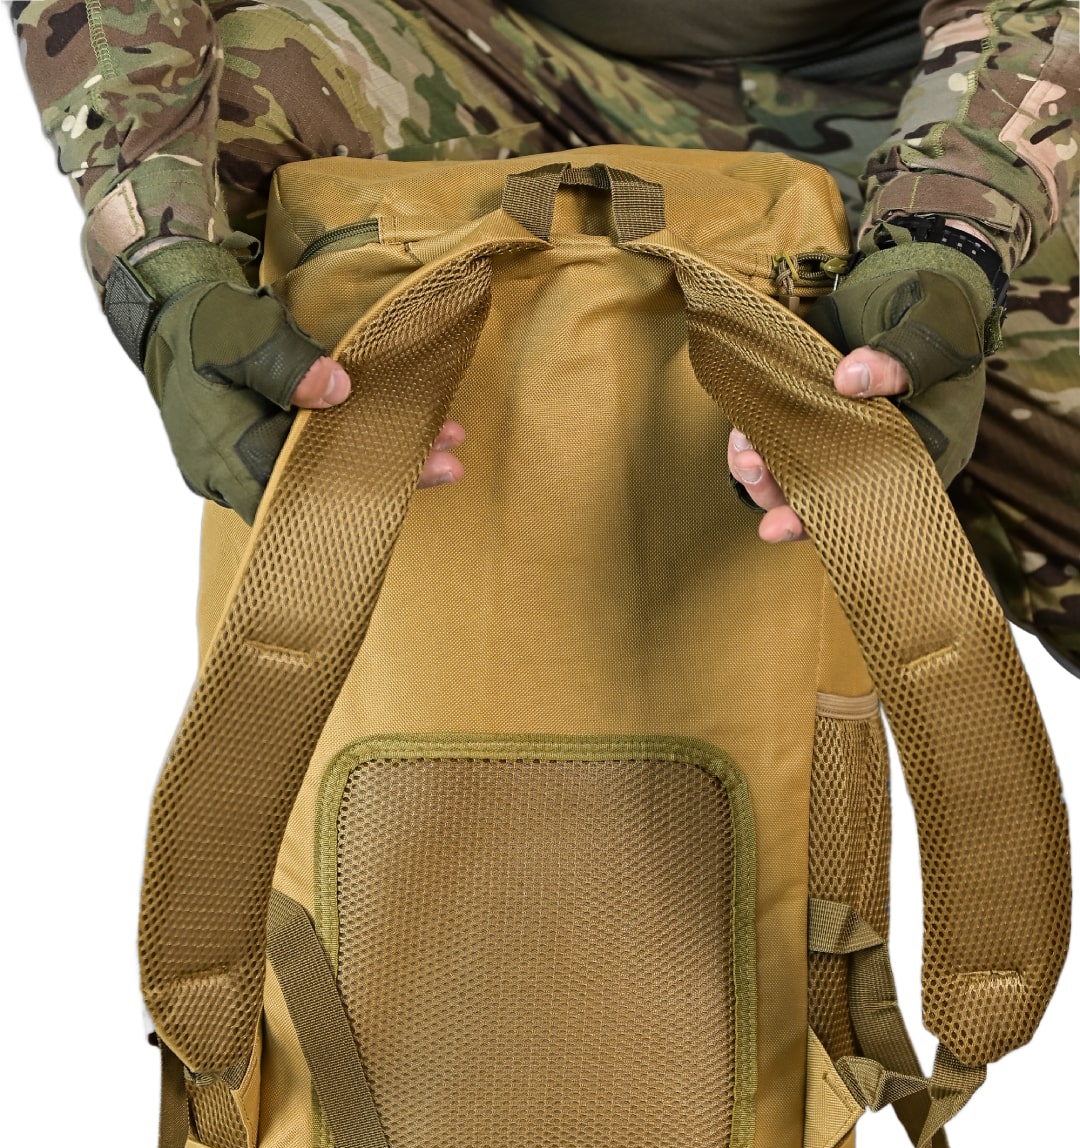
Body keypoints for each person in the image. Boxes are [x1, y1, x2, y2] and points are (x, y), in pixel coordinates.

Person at [12, 0, 1079, 671]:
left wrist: (951, 239)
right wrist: (163, 270)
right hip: (500, 61)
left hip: (932, 101)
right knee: (252, 83)